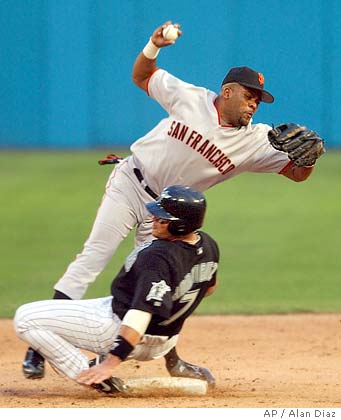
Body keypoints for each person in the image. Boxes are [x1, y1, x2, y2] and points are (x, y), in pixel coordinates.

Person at [22, 20, 322, 380]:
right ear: (227, 92)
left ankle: (171, 358)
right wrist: (153, 44)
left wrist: (308, 159)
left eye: (259, 99)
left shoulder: (258, 140)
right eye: (249, 95)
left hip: (167, 214)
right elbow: (142, 75)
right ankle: (37, 349)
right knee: (93, 256)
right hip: (130, 184)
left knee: (156, 279)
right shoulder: (190, 97)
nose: (254, 104)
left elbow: (295, 173)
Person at [15, 185, 219, 393]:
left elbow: (141, 313)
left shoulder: (157, 256)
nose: (153, 220)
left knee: (25, 318)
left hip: (123, 332)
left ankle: (90, 373)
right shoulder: (208, 244)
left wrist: (111, 363)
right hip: (166, 340)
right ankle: (118, 359)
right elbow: (209, 288)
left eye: (162, 219)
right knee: (126, 297)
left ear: (181, 227)